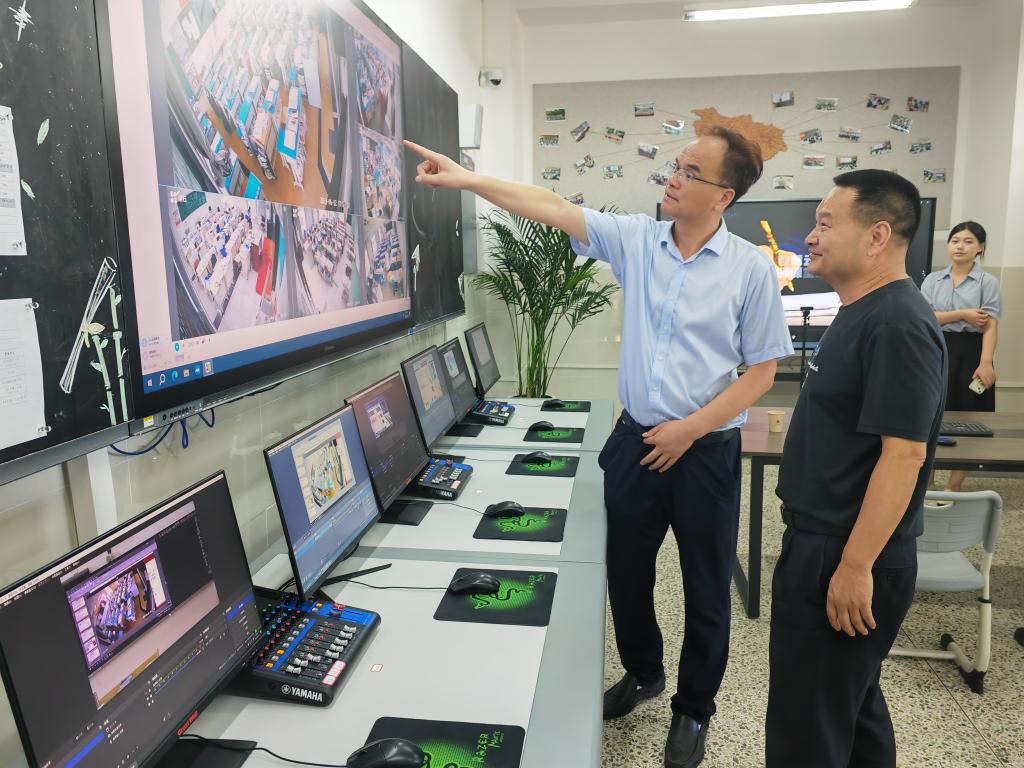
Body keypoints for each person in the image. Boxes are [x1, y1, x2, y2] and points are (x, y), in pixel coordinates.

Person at [406, 126, 792, 768]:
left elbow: (762, 373)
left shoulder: (749, 269)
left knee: (706, 588)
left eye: (690, 173)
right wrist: (467, 178)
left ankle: (695, 709)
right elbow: (550, 206)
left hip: (704, 452)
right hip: (637, 441)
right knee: (626, 573)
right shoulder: (638, 240)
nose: (672, 178)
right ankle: (644, 672)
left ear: (724, 195)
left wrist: (692, 428)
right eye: (675, 165)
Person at [767, 170, 947, 767]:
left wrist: (854, 565)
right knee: (850, 707)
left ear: (877, 236)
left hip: (843, 549)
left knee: (807, 728)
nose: (810, 237)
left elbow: (905, 454)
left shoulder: (897, 322)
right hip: (824, 541)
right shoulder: (861, 310)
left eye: (825, 223)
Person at [920, 221, 1002, 491]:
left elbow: (990, 325)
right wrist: (964, 314)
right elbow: (926, 318)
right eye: (955, 240)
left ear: (980, 247)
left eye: (968, 241)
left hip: (973, 352)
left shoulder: (987, 282)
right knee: (931, 415)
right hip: (936, 349)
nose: (960, 246)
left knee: (971, 415)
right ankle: (927, 483)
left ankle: (954, 486)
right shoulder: (932, 280)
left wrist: (986, 362)